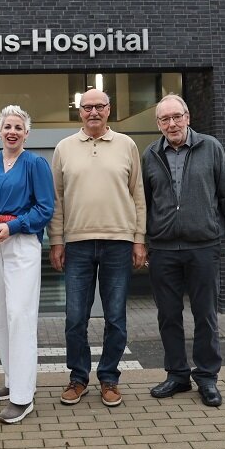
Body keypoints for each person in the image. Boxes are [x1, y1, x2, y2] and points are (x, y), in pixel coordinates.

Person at [141, 94, 225, 407]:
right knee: (168, 316)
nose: (171, 124)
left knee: (205, 315)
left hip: (203, 246)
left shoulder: (211, 147)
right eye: (164, 119)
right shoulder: (150, 155)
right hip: (163, 249)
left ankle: (207, 378)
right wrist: (143, 241)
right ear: (158, 124)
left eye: (176, 116)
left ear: (187, 117)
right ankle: (177, 375)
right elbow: (143, 205)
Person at [49, 89, 146, 409]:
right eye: (87, 107)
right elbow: (57, 200)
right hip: (76, 244)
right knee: (75, 317)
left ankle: (109, 379)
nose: (93, 112)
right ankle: (78, 378)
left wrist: (139, 238)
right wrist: (57, 241)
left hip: (119, 242)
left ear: (109, 110)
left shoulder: (127, 145)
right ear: (79, 112)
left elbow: (138, 196)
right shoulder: (64, 148)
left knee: (116, 317)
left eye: (99, 107)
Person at [0, 105, 54, 424]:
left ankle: (23, 397)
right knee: (0, 316)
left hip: (20, 244)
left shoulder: (36, 164)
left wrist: (11, 227)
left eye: (19, 127)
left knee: (20, 314)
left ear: (27, 133)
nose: (12, 131)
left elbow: (45, 209)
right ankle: (12, 380)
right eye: (7, 126)